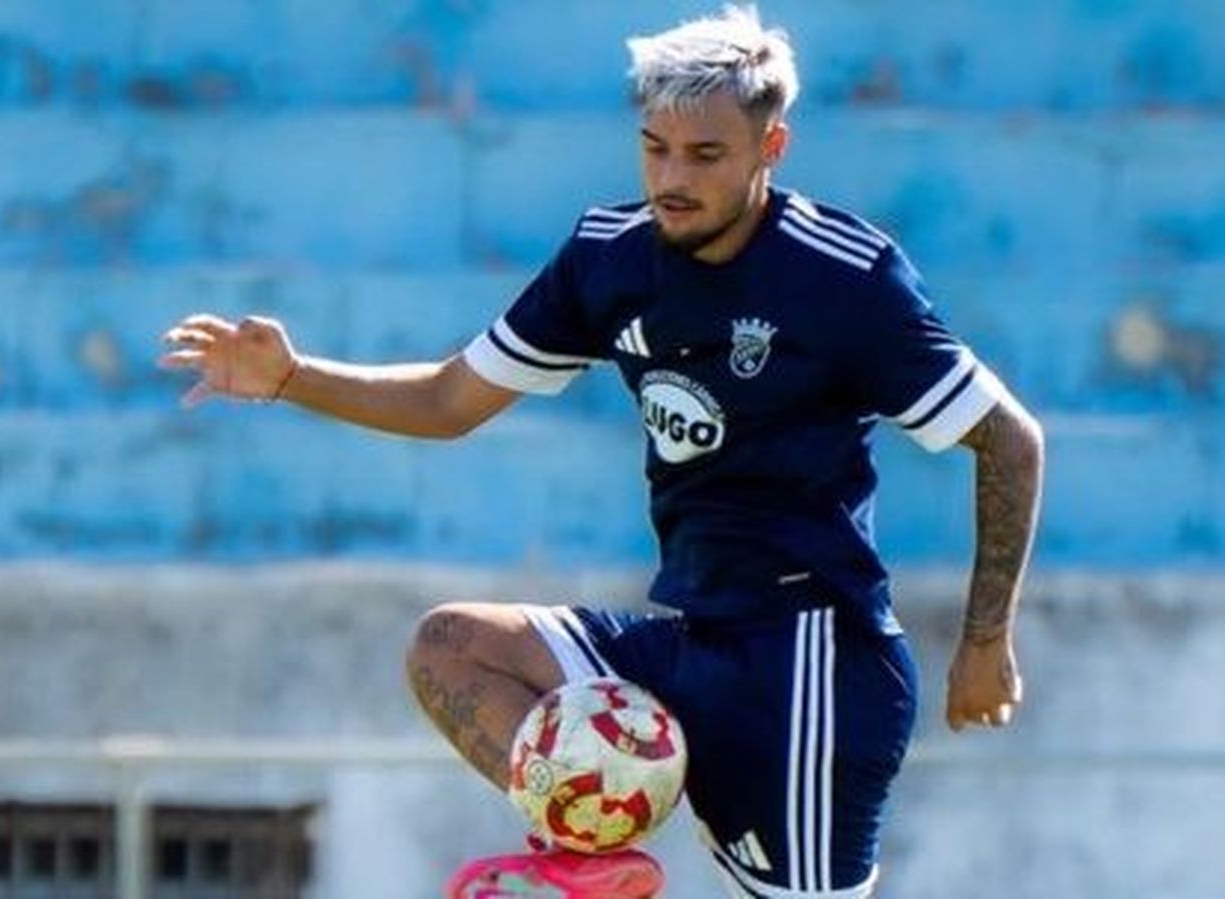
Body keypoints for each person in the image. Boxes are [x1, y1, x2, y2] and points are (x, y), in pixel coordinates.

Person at [160, 5, 1045, 897]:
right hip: (686, 640)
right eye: (655, 147)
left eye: (705, 155)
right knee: (452, 648)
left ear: (771, 148)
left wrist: (985, 642)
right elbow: (448, 398)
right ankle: (590, 845)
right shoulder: (608, 259)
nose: (671, 176)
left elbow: (1008, 438)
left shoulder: (845, 276)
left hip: (808, 666)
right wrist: (290, 376)